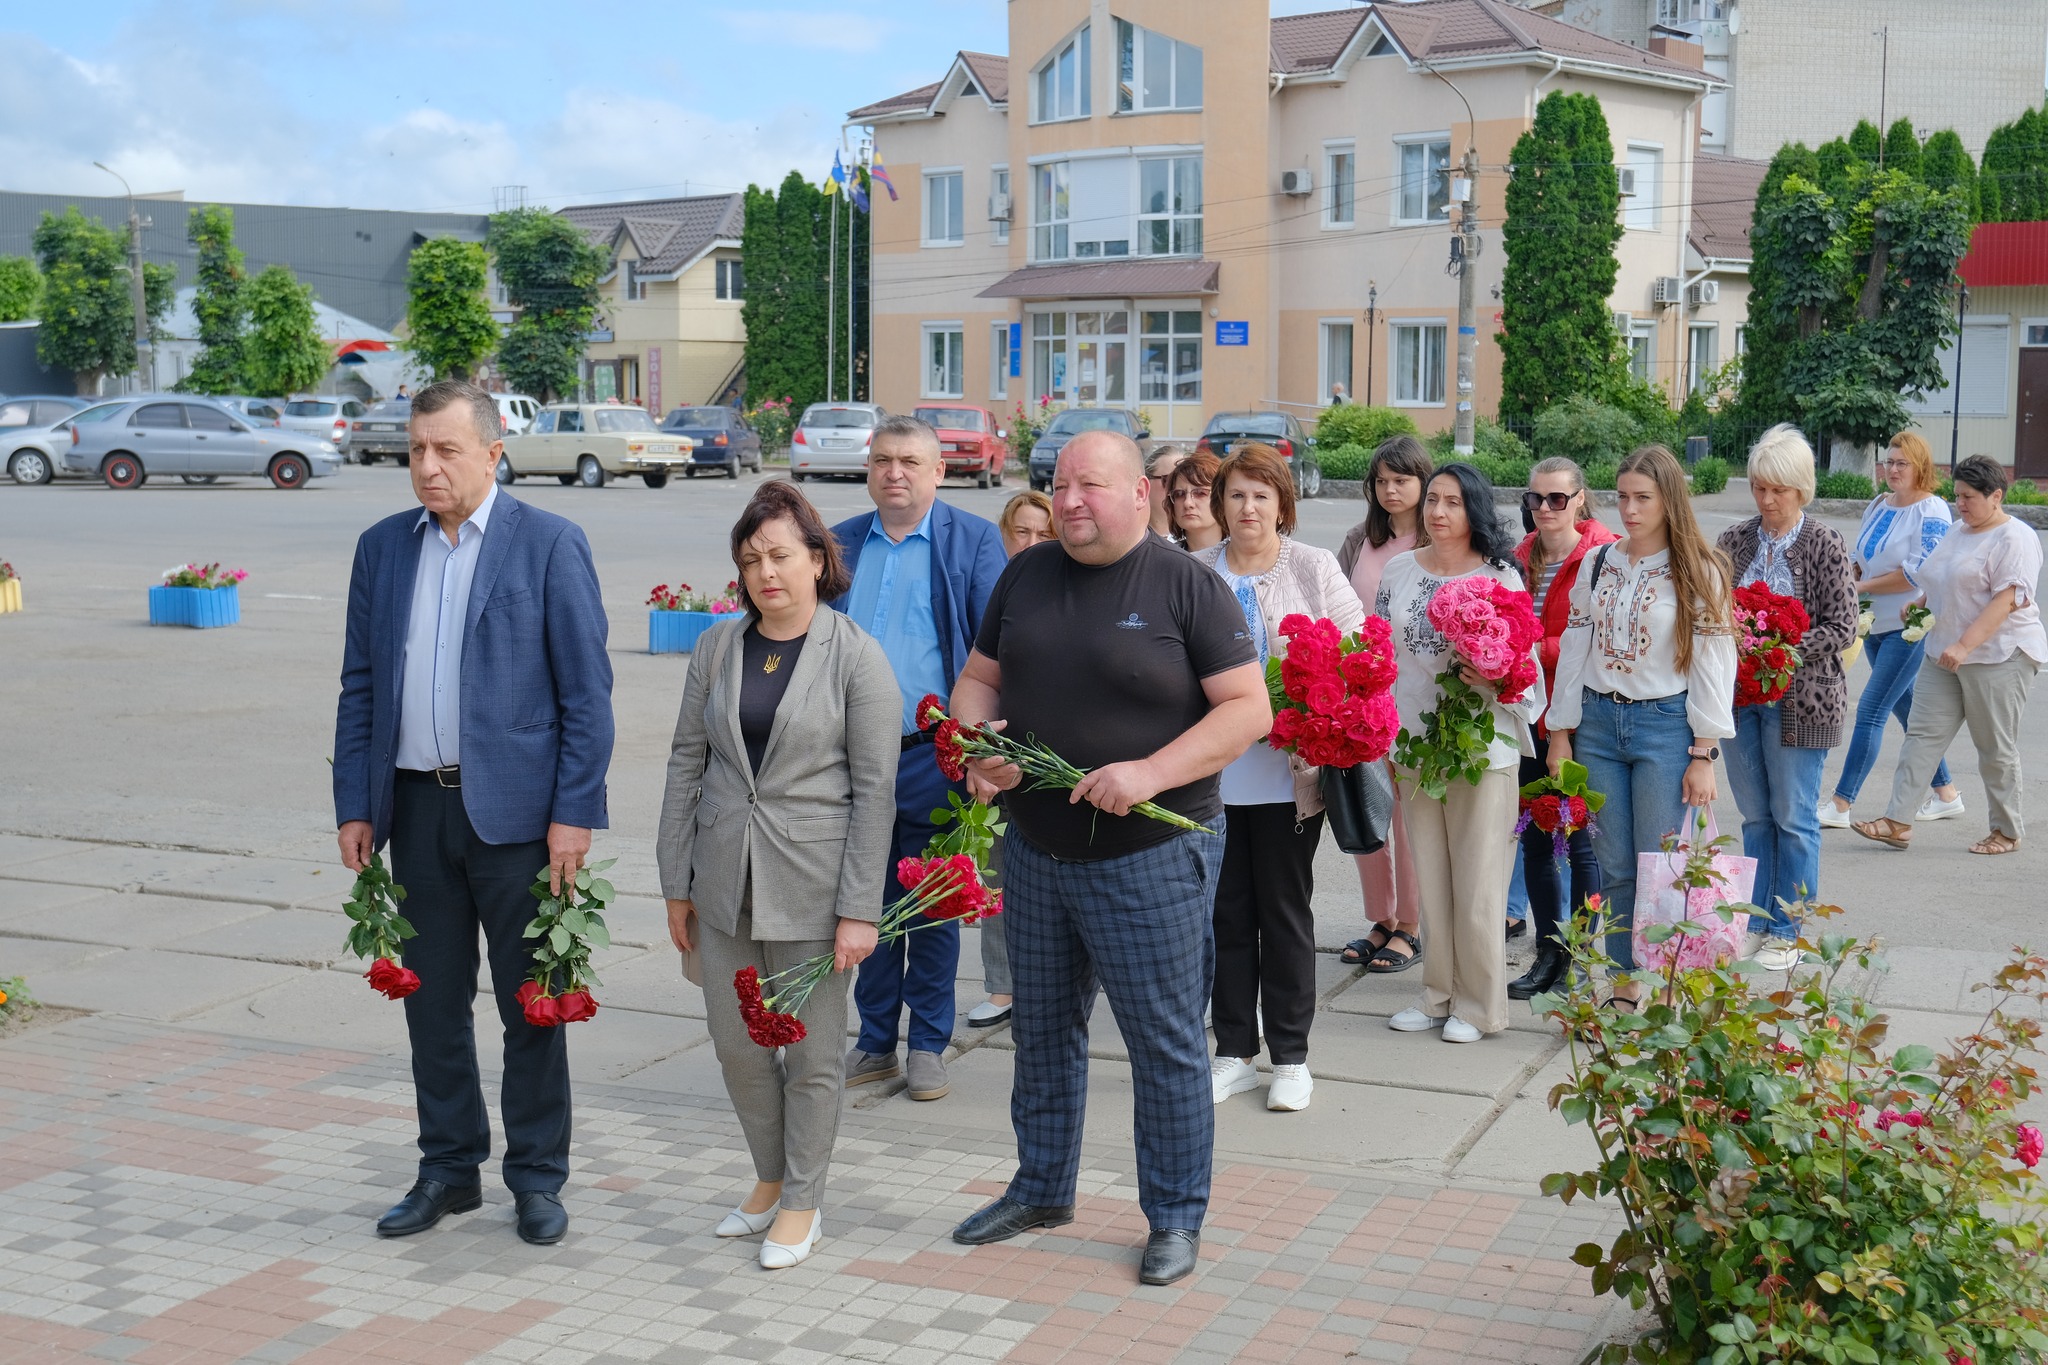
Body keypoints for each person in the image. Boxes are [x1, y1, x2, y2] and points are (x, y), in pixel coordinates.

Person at [947, 429, 1268, 1287]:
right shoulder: (1025, 573)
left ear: (1140, 494)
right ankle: (1042, 1187)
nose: (1070, 500)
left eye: (1089, 485)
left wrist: (1149, 772)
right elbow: (979, 680)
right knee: (1042, 1030)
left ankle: (1174, 1214)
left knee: (1163, 1043)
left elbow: (1248, 710)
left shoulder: (1186, 585)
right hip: (1036, 848)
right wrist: (980, 742)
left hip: (1150, 854)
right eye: (1060, 485)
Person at [332, 379, 614, 1246]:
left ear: (493, 452)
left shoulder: (549, 543)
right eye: (416, 449)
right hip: (415, 810)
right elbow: (360, 686)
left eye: (446, 449)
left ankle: (536, 1177)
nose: (427, 466)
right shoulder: (383, 548)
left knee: (532, 1003)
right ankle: (449, 1169)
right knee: (431, 1006)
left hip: (520, 821)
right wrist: (356, 803)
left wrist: (574, 811)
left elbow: (587, 695)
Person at [658, 481, 899, 1269]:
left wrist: (860, 908)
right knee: (737, 1045)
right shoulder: (717, 647)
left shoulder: (855, 655)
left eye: (781, 554)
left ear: (818, 560)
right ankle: (769, 1176)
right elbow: (685, 764)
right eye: (751, 557)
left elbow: (876, 792)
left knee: (812, 1056)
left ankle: (803, 1201)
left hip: (814, 889)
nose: (766, 571)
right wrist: (676, 882)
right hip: (723, 881)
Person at [831, 416, 1007, 1103]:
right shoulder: (839, 543)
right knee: (865, 904)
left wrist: (984, 752)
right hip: (851, 762)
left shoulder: (972, 541)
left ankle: (928, 1043)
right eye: (882, 460)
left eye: (909, 461)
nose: (894, 472)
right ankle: (876, 1040)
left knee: (933, 904)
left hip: (937, 757)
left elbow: (999, 652)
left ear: (939, 471)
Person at [1192, 443, 1365, 1112]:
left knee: (1285, 914)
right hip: (1212, 777)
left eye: (1261, 495)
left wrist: (1308, 697)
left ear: (1282, 503)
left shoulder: (1313, 566)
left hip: (1288, 777)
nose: (1248, 507)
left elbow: (1356, 648)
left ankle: (1291, 1057)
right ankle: (1234, 1052)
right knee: (1225, 914)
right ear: (1220, 504)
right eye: (1236, 494)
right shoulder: (1195, 570)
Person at [1548, 445, 1735, 1010]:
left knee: (1663, 866)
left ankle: (1664, 992)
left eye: (1643, 498)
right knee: (1613, 866)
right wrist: (1560, 732)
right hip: (1598, 725)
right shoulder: (1597, 563)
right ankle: (1626, 986)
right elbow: (1575, 651)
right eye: (1623, 497)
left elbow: (1713, 663)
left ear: (1669, 500)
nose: (1629, 509)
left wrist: (1704, 753)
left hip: (1665, 727)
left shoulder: (1699, 569)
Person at [1377, 463, 1544, 1043]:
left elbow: (1527, 669)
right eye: (1432, 500)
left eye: (1452, 501)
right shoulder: (1399, 570)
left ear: (1474, 509)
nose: (1438, 512)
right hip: (1415, 741)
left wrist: (1495, 676)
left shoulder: (1500, 575)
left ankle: (1477, 1007)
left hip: (1481, 746)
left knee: (1478, 881)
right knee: (1431, 875)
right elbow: (1380, 649)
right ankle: (1436, 995)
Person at [1856, 455, 2047, 857]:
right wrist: (1921, 603)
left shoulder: (2015, 538)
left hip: (1999, 656)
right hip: (1943, 652)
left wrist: (1965, 645)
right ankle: (1898, 821)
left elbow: (2005, 601)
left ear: (1996, 496)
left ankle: (2006, 831)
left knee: (1994, 747)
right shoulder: (1959, 530)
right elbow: (1941, 575)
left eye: (1969, 497)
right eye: (1957, 495)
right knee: (1921, 737)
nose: (1960, 504)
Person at [1717, 425, 1857, 968]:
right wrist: (1739, 647)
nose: (1767, 499)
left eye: (1778, 489)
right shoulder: (1734, 540)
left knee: (1794, 817)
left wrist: (1779, 649)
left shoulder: (1824, 542)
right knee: (1755, 816)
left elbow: (1843, 625)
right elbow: (1711, 609)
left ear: (1802, 489)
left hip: (1802, 700)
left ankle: (1790, 930)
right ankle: (1757, 921)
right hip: (1740, 698)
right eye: (1759, 488)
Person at [1508, 457, 1617, 1000]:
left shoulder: (1602, 556)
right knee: (1535, 837)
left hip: (1578, 715)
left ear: (1579, 499)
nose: (1545, 508)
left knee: (1579, 843)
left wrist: (1535, 649)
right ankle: (1548, 953)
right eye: (1536, 499)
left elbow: (1597, 640)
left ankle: (1579, 955)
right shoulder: (1518, 557)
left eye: (1557, 498)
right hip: (1527, 713)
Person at [1824, 431, 1961, 827]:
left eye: (1902, 463)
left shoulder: (1932, 511)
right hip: (1872, 623)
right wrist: (1849, 575)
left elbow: (1918, 573)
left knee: (1871, 711)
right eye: (1889, 461)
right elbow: (1859, 554)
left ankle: (1841, 804)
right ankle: (1946, 793)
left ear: (1921, 467)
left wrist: (1860, 586)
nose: (1893, 469)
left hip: (1908, 625)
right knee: (1905, 708)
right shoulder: (1879, 504)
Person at [1335, 435, 1434, 975]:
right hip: (1362, 693)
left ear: (1424, 481)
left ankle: (1411, 925)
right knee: (1370, 807)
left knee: (1409, 810)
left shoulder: (1437, 537)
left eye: (1402, 479)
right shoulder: (1359, 539)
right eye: (1381, 481)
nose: (1391, 490)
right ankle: (1382, 918)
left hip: (1415, 692)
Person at [967, 490, 1061, 1030]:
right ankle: (1002, 987)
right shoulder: (994, 591)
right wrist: (978, 753)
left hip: (1055, 760)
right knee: (996, 870)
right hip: (1000, 754)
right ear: (1004, 536)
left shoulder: (1066, 585)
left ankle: (1057, 987)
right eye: (1021, 532)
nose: (1031, 542)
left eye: (1043, 533)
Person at [1164, 449, 1223, 550]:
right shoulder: (1162, 556)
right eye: (1179, 494)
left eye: (1200, 493)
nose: (1188, 503)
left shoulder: (1245, 555)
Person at [1146, 445, 1187, 539]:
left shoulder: (1199, 539)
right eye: (1169, 480)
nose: (1178, 490)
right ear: (1145, 485)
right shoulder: (1130, 537)